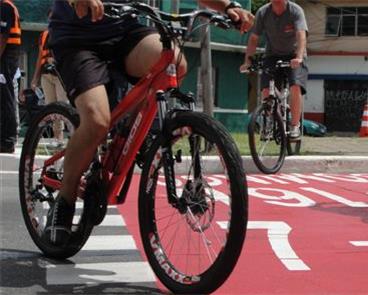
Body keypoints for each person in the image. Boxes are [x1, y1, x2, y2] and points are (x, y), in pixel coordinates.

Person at [44, 0, 254, 247]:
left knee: (173, 61)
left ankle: (131, 128)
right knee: (97, 121)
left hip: (124, 31)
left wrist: (228, 6)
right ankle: (65, 200)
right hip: (76, 37)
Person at [240, 0, 307, 140]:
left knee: (295, 86)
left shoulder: (295, 10)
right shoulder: (263, 12)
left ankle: (295, 125)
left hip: (294, 55)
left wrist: (299, 57)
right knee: (266, 89)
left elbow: (301, 35)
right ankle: (270, 121)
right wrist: (248, 61)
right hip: (272, 55)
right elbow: (253, 38)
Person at [32, 11, 69, 143]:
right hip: (46, 75)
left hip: (60, 75)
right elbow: (39, 57)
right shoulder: (44, 35)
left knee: (62, 106)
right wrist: (35, 78)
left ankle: (71, 137)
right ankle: (57, 139)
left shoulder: (66, 33)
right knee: (50, 107)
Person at [0, 0, 21, 154]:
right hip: (6, 56)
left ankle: (8, 140)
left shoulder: (5, 6)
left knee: (6, 96)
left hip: (6, 56)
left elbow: (2, 36)